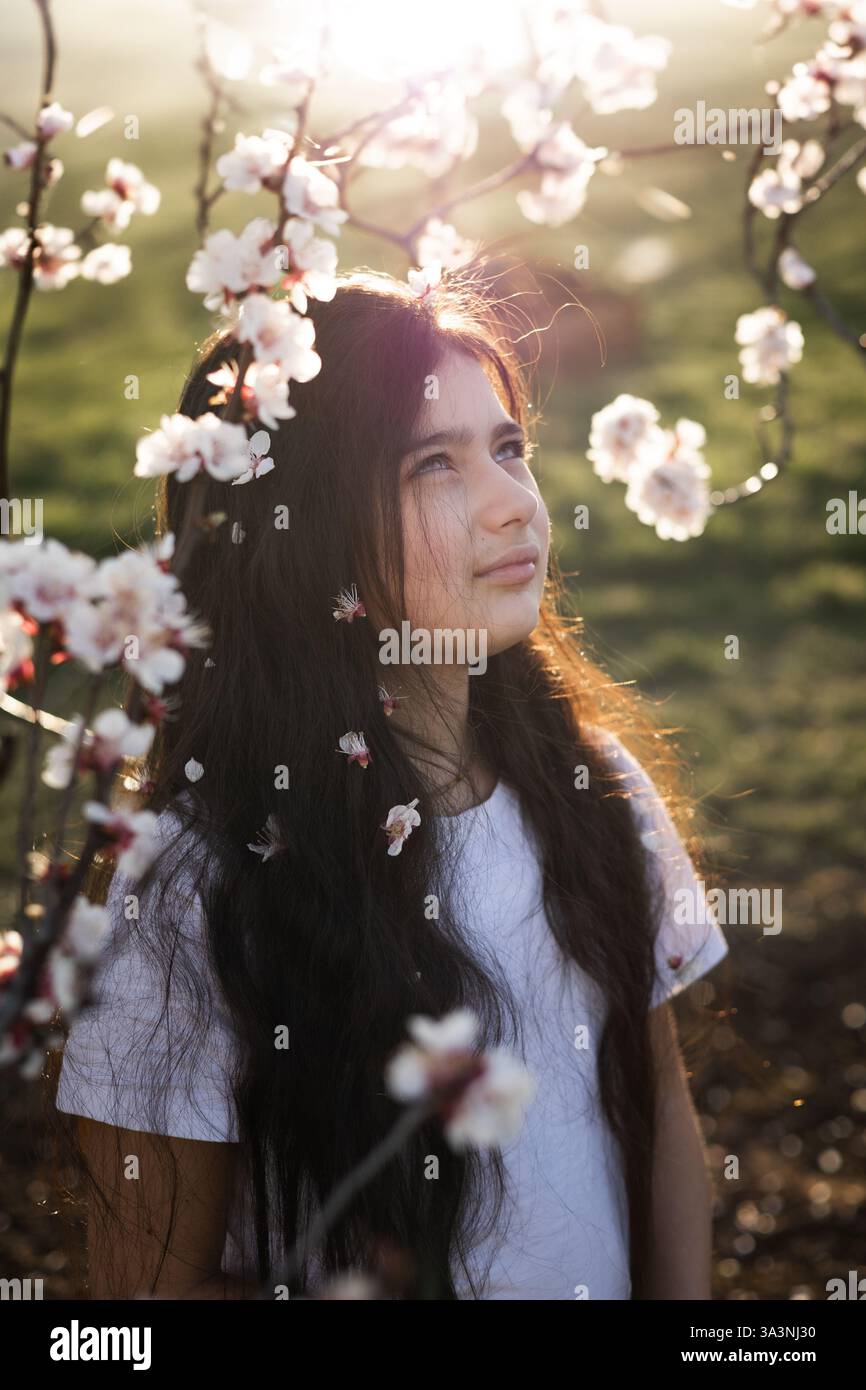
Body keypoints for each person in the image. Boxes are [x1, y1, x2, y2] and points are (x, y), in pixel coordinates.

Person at [53, 265, 729, 1300]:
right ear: (304, 532)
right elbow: (141, 1299)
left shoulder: (596, 790)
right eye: (434, 467)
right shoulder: (191, 889)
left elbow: (664, 1122)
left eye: (508, 448)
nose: (513, 504)